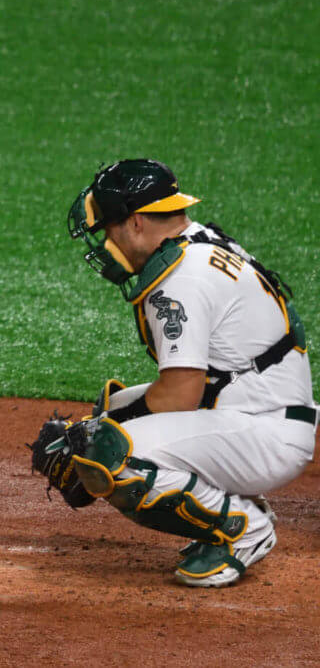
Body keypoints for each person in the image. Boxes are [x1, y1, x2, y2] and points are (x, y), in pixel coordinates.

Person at [60, 158, 315, 587]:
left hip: (265, 431)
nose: (106, 242)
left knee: (112, 451)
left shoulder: (182, 278)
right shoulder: (199, 240)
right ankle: (236, 500)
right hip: (257, 406)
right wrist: (103, 420)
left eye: (108, 229)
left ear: (137, 222)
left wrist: (95, 433)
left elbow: (181, 393)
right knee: (111, 411)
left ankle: (243, 528)